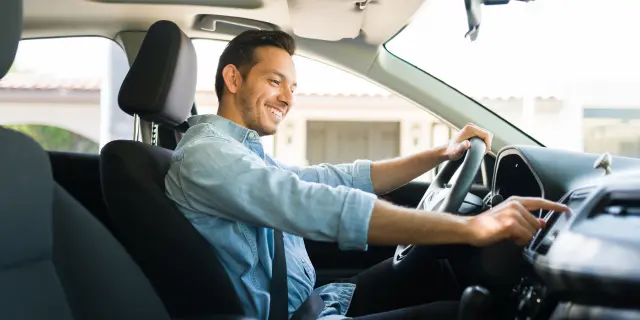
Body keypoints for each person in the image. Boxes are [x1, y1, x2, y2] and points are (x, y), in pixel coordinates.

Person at [164, 30, 568, 319]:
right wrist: (472, 228)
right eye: (275, 82)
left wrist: (441, 154)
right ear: (233, 79)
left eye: (293, 87)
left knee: (434, 274)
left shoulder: (238, 151)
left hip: (317, 302)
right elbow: (312, 204)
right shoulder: (207, 156)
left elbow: (330, 180)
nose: (287, 98)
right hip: (297, 314)